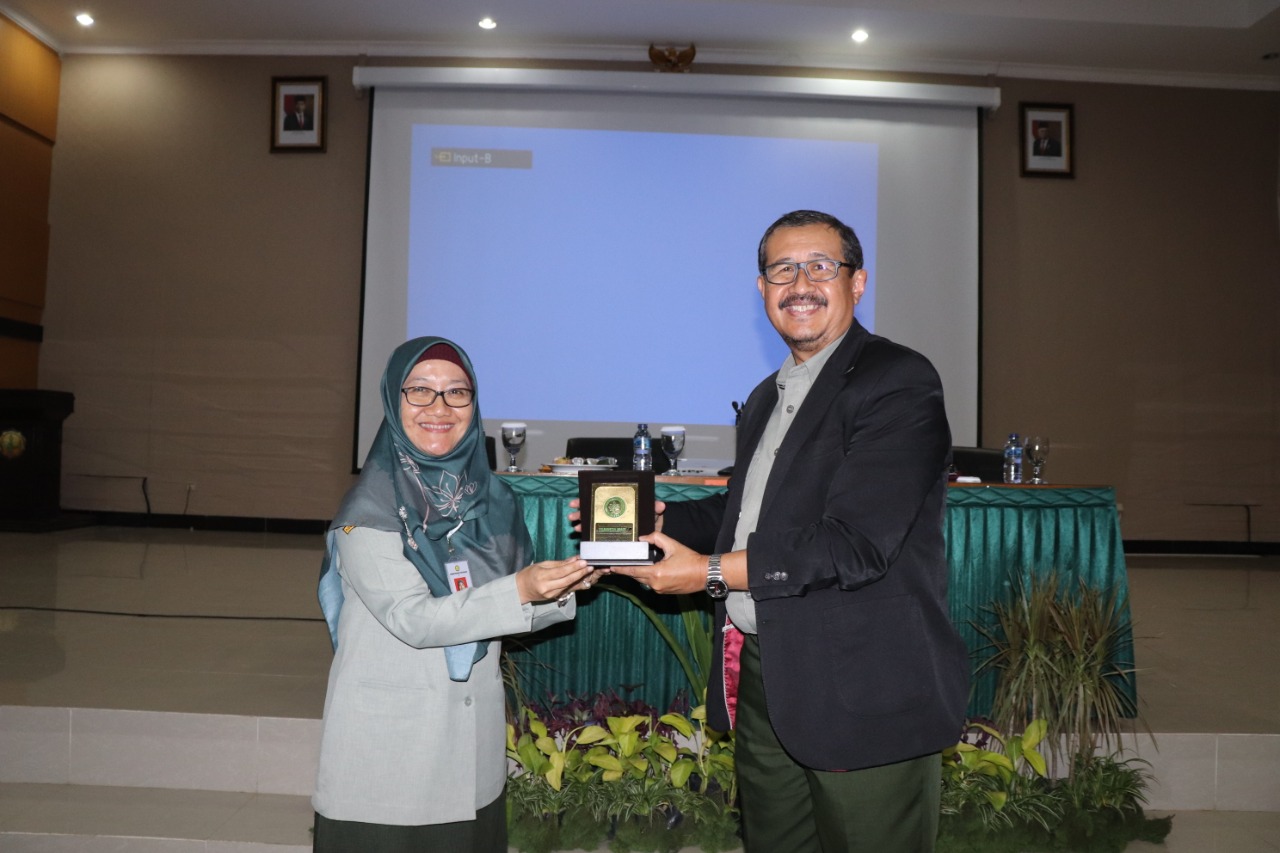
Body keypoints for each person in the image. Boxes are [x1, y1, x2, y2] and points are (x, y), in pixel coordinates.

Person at [611, 210, 970, 852]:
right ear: (762, 289)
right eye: (782, 270)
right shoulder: (765, 397)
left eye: (819, 267)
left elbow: (854, 544)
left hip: (864, 683)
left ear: (857, 282)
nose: (800, 284)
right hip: (767, 676)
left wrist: (708, 573)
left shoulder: (897, 380)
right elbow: (747, 515)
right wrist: (658, 520)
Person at [313, 336, 596, 852]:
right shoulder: (369, 512)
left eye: (457, 392)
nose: (440, 408)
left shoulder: (492, 501)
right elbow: (414, 620)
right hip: (392, 756)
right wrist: (521, 588)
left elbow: (497, 612)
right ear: (393, 401)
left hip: (472, 755)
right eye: (420, 391)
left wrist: (561, 588)